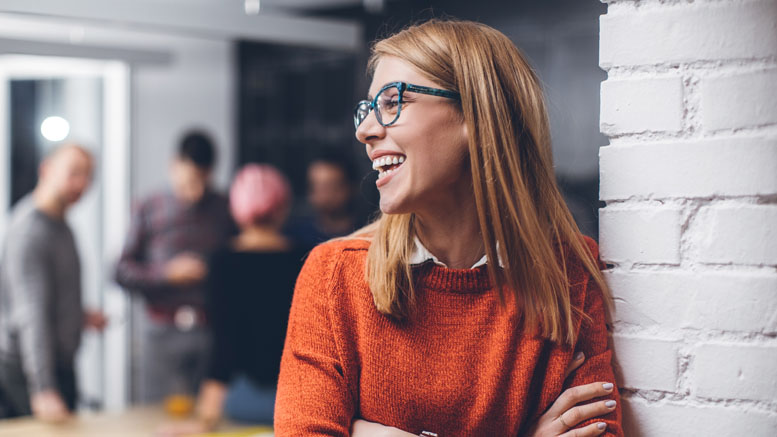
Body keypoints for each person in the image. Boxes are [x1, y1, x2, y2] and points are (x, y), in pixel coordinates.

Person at [275, 19, 623, 436]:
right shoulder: (334, 277)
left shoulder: (569, 270)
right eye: (368, 109)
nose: (366, 130)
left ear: (476, 115)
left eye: (392, 102)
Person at [157, 164, 306, 436]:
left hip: (243, 401)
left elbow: (223, 344)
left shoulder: (223, 262)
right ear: (283, 206)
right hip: (299, 399)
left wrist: (205, 419)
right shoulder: (307, 258)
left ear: (237, 208)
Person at [115, 130, 235, 403]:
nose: (197, 191)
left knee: (209, 418)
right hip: (161, 331)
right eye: (190, 179)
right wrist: (166, 274)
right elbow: (121, 271)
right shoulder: (149, 206)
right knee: (155, 415)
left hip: (210, 330)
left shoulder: (223, 207)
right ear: (174, 165)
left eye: (204, 180)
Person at [0, 144, 106, 422]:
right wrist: (44, 387)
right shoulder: (29, 231)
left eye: (88, 176)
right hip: (28, 369)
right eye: (74, 173)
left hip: (59, 363)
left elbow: (47, 300)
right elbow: (30, 314)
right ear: (46, 170)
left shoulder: (63, 227)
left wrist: (78, 316)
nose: (82, 183)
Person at [285, 151, 363, 248]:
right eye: (316, 187)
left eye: (331, 187)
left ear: (351, 187)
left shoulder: (365, 236)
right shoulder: (295, 239)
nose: (323, 195)